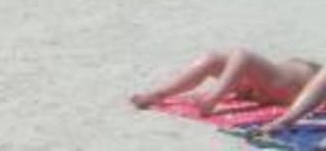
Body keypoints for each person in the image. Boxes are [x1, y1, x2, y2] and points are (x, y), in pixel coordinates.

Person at [130, 48, 326, 134]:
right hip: (277, 88)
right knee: (213, 57)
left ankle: (213, 97)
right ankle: (160, 93)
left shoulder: (294, 73)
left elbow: (244, 55)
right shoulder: (266, 76)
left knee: (241, 55)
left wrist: (216, 94)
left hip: (288, 88)